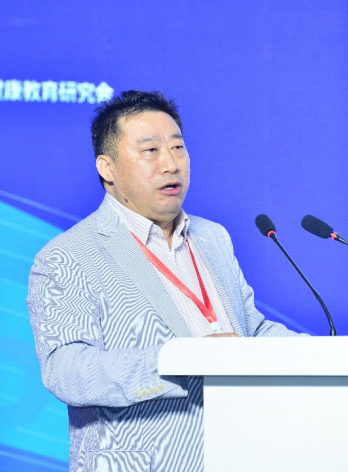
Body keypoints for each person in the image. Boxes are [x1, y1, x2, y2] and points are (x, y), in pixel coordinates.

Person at [27, 90, 305, 472]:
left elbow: (249, 331)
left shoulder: (213, 237)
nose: (171, 164)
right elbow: (67, 371)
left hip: (237, 456)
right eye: (150, 151)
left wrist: (326, 355)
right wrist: (182, 359)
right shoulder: (69, 254)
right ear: (107, 168)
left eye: (178, 148)